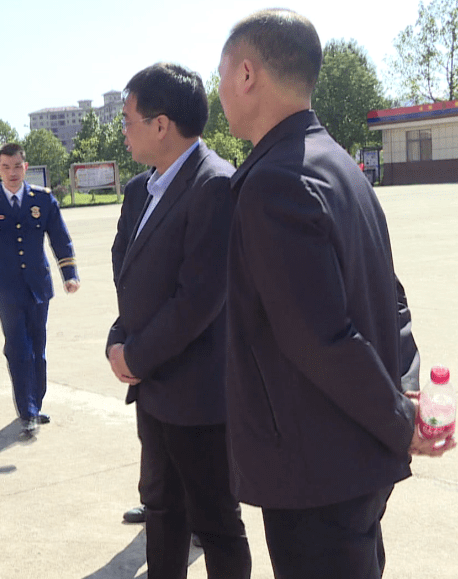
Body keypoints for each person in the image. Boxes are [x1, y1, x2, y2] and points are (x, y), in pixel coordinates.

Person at [217, 10, 455, 578]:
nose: (220, 88)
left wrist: (403, 419)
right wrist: (407, 396)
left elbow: (321, 339)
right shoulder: (340, 167)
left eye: (222, 73)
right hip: (355, 462)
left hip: (315, 470)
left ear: (247, 74)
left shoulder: (275, 180)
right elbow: (391, 303)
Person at [105, 63, 251, 578]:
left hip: (199, 395)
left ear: (161, 124)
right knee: (162, 513)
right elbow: (131, 277)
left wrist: (135, 357)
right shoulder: (140, 190)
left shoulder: (215, 185)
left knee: (215, 523)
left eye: (128, 120)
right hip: (154, 388)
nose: (122, 131)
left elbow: (199, 300)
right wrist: (118, 340)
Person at [0, 142, 79, 436]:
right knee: (18, 348)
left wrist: (69, 273)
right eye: (5, 167)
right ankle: (27, 411)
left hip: (38, 285)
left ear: (26, 167)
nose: (12, 172)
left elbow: (60, 238)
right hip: (5, 289)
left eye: (17, 166)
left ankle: (36, 402)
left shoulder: (43, 200)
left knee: (38, 348)